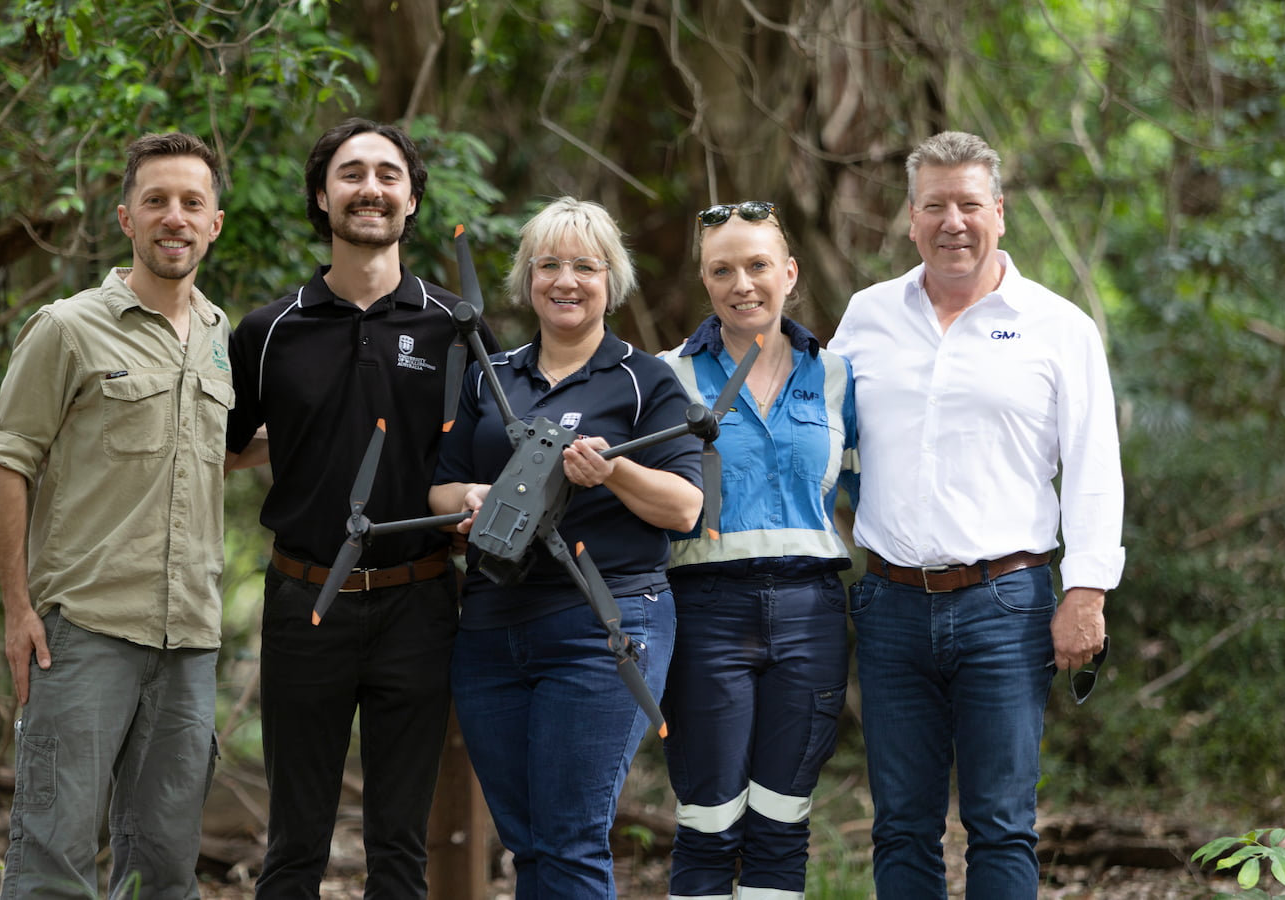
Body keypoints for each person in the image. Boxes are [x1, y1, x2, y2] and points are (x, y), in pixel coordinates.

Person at [828, 130, 1123, 899]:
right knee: (900, 824)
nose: (952, 222)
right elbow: (817, 437)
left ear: (1000, 210)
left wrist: (1087, 591)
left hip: (1007, 605)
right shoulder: (867, 317)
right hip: (890, 604)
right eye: (935, 206)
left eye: (968, 203)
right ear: (911, 215)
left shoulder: (1058, 327)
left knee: (1000, 824)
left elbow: (1094, 465)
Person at [225, 118, 492, 899]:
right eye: (350, 173)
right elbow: (228, 444)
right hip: (304, 597)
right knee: (294, 845)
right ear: (321, 195)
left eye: (387, 174)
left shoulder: (456, 328)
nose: (369, 187)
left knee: (399, 849)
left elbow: (485, 457)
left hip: (421, 600)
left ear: (411, 199)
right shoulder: (268, 331)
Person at [0, 132, 230, 899]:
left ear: (215, 222)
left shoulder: (221, 339)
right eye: (156, 200)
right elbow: (5, 460)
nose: (174, 217)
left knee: (165, 869)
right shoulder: (68, 327)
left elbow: (222, 450)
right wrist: (19, 608)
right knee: (54, 863)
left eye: (192, 202)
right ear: (126, 217)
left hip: (189, 641)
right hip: (83, 633)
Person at [429, 196, 703, 899]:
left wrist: (614, 471)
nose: (566, 281)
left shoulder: (645, 381)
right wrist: (468, 500)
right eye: (548, 264)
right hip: (491, 628)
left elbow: (685, 506)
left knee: (573, 839)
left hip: (603, 625)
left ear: (611, 279)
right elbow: (440, 486)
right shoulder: (496, 375)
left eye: (585, 266)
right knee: (527, 845)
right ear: (527, 279)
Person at [658, 200, 860, 900]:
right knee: (709, 822)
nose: (742, 284)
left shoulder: (837, 377)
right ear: (705, 283)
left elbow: (876, 495)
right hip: (706, 611)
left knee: (781, 823)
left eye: (757, 265)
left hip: (812, 612)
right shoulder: (667, 377)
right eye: (723, 270)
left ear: (790, 273)